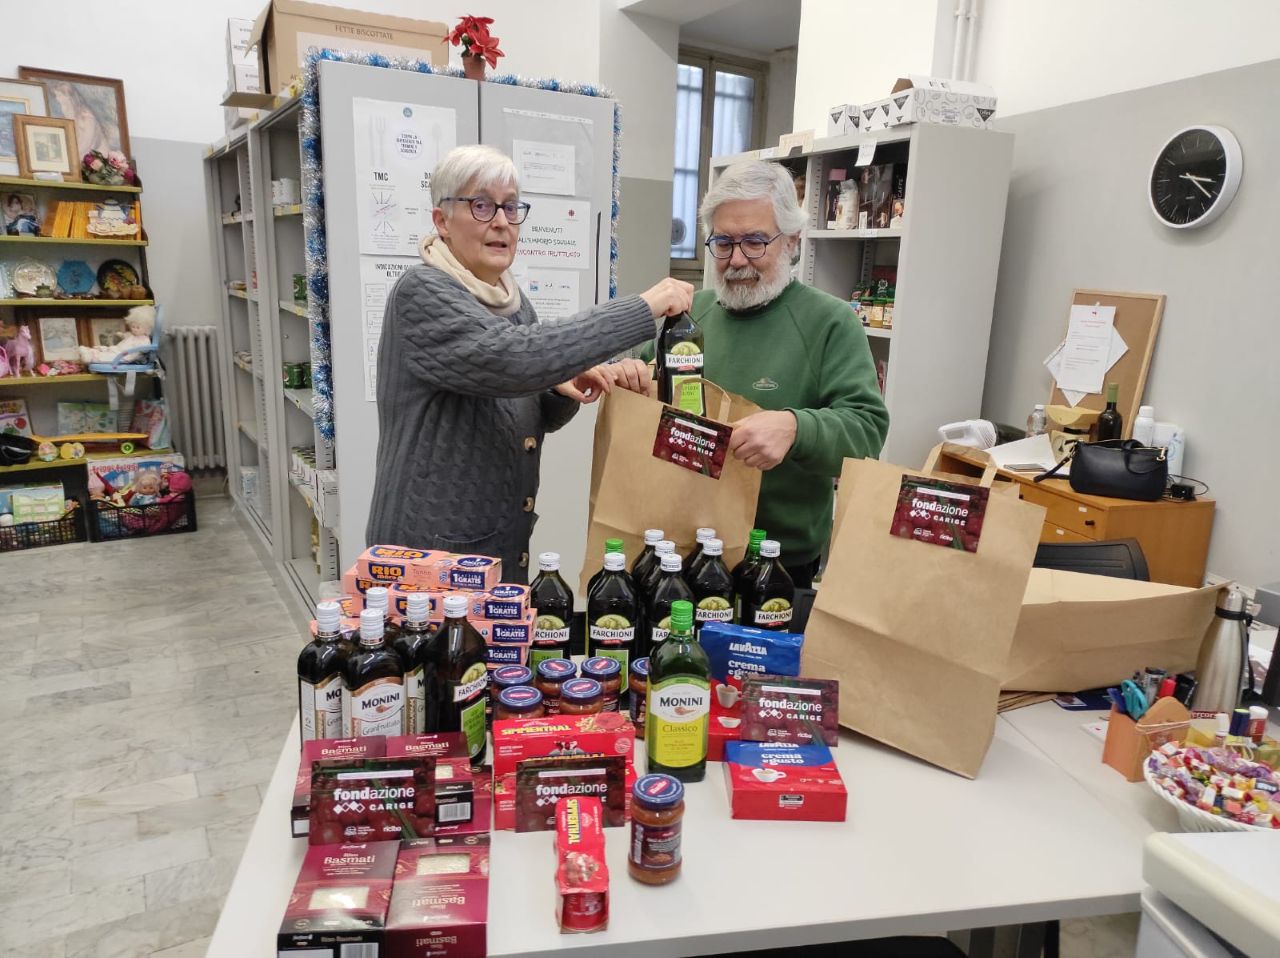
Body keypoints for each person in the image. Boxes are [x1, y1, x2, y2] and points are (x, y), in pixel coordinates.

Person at [366, 144, 691, 581]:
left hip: (494, 549)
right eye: (481, 205)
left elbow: (527, 400)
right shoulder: (421, 292)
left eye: (511, 207)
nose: (502, 221)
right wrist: (641, 308)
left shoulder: (511, 303)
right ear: (441, 221)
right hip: (430, 559)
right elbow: (515, 358)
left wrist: (562, 386)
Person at [691, 160, 889, 587]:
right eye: (723, 242)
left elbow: (867, 431)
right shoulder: (692, 313)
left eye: (755, 242)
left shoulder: (830, 321)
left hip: (776, 564)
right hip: (681, 549)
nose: (737, 260)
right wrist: (629, 373)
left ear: (793, 241)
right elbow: (647, 389)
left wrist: (796, 428)